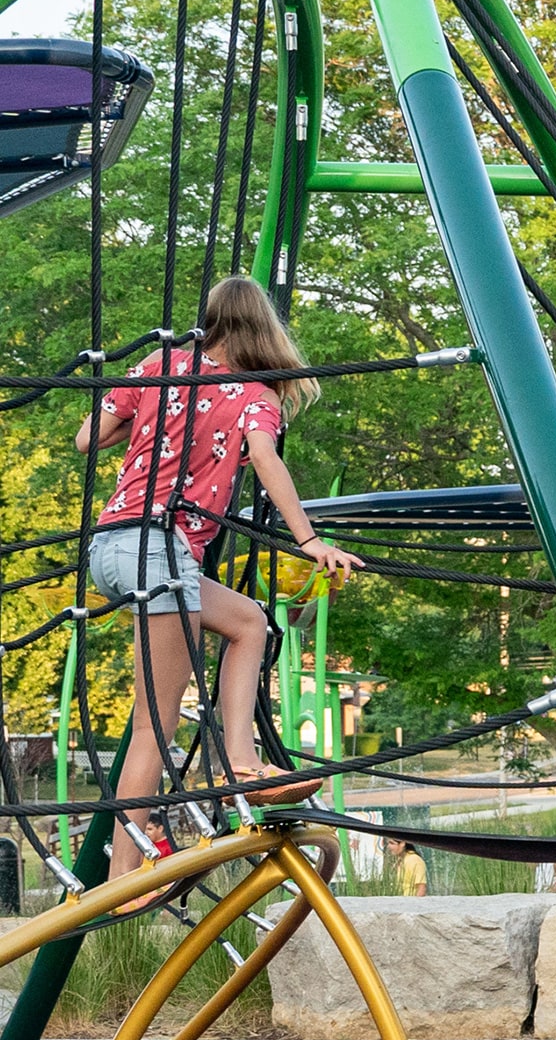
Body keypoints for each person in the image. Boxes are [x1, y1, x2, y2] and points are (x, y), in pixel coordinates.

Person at [78, 276, 364, 893]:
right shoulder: (253, 395)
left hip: (110, 548)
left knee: (248, 621)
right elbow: (265, 459)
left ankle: (241, 761)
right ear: (263, 331)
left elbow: (87, 440)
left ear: (209, 321)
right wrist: (310, 540)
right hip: (160, 550)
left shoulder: (161, 365)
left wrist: (155, 419)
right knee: (155, 724)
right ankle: (123, 872)